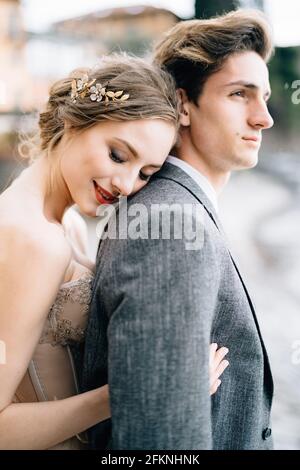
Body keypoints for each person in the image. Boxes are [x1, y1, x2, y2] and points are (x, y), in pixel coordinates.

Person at [0, 55, 227, 450]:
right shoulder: (35, 240)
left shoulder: (58, 222)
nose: (126, 184)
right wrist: (130, 390)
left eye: (146, 174)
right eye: (118, 155)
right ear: (75, 121)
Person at [82, 9, 274, 450]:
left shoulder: (177, 210)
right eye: (239, 94)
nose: (263, 117)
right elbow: (156, 440)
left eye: (262, 96)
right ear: (184, 105)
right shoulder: (171, 226)